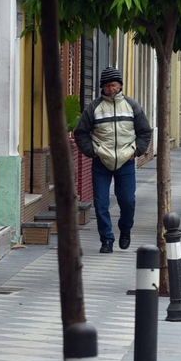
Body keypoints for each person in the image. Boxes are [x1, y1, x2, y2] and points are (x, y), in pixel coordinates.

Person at [73, 66, 153, 253]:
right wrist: (92, 151)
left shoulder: (132, 106)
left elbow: (144, 132)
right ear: (103, 87)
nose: (111, 89)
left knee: (128, 201)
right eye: (107, 86)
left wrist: (137, 150)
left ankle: (125, 229)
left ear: (120, 85)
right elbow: (81, 134)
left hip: (126, 161)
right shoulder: (94, 108)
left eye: (114, 85)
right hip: (101, 162)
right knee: (101, 203)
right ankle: (106, 240)